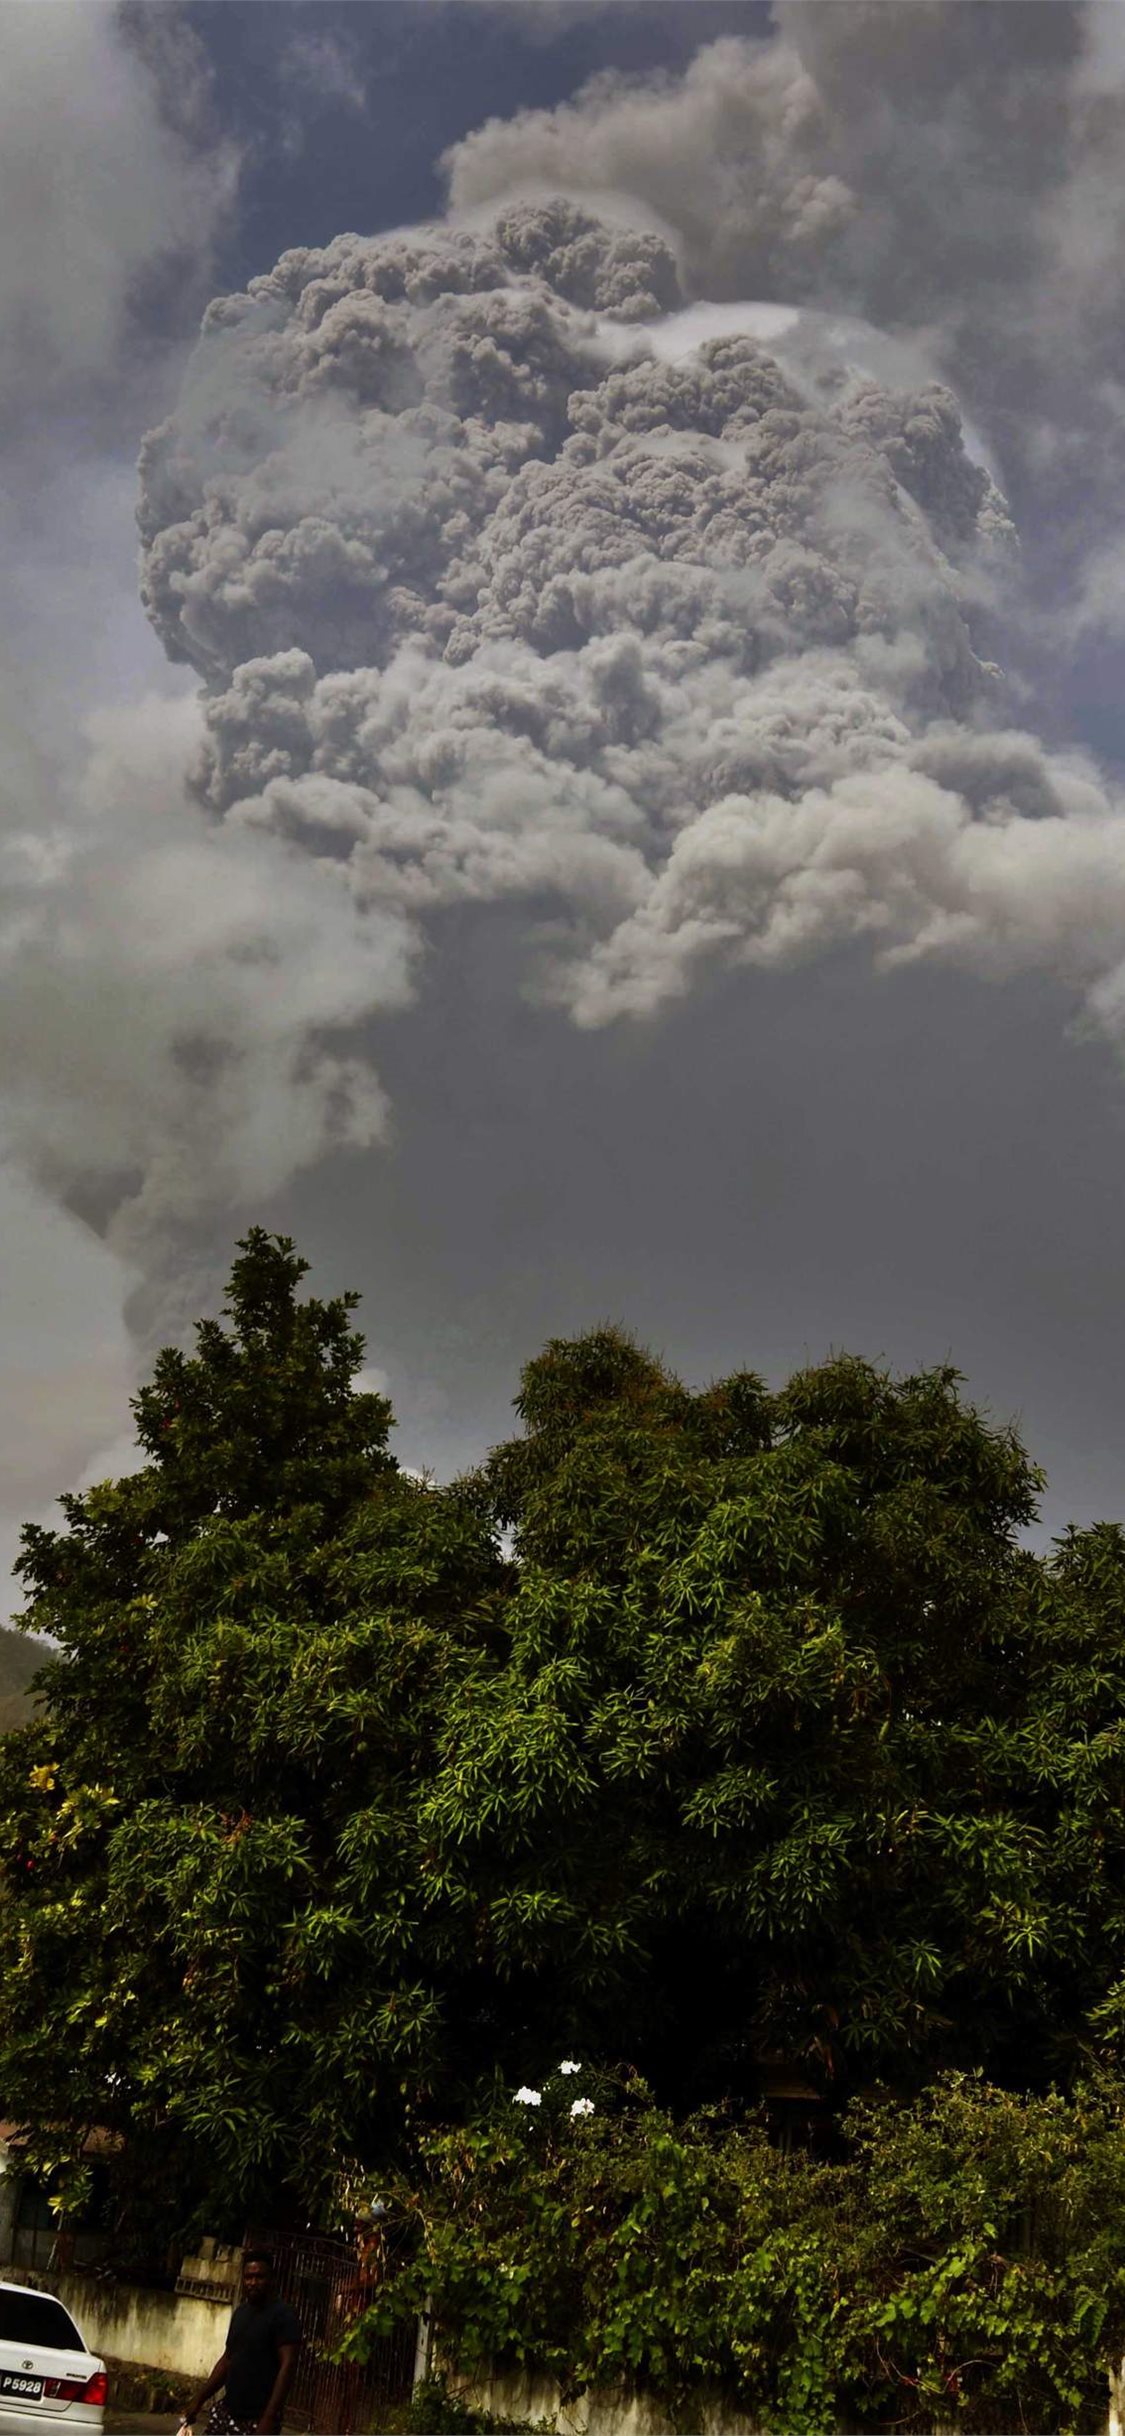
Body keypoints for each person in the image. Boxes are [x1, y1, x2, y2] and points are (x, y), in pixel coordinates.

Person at [182, 2249, 301, 2436]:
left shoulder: (283, 2315)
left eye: (259, 2277)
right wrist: (199, 2399)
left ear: (271, 2279)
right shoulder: (241, 2313)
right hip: (227, 2412)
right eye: (248, 2277)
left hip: (257, 2420)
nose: (253, 2283)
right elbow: (228, 2359)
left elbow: (288, 2366)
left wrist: (268, 2419)